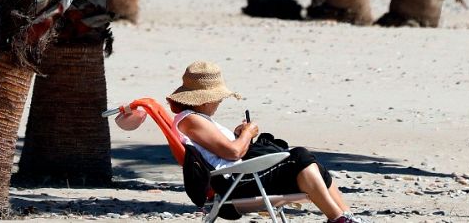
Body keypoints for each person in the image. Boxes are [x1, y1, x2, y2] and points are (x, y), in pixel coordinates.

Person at [121, 61, 364, 223]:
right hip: (234, 183)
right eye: (217, 99)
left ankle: (346, 216)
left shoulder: (195, 119)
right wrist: (247, 134)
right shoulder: (190, 120)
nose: (219, 103)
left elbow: (224, 151)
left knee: (313, 166)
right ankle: (339, 220)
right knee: (300, 156)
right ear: (204, 100)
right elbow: (233, 152)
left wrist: (241, 136)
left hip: (240, 175)